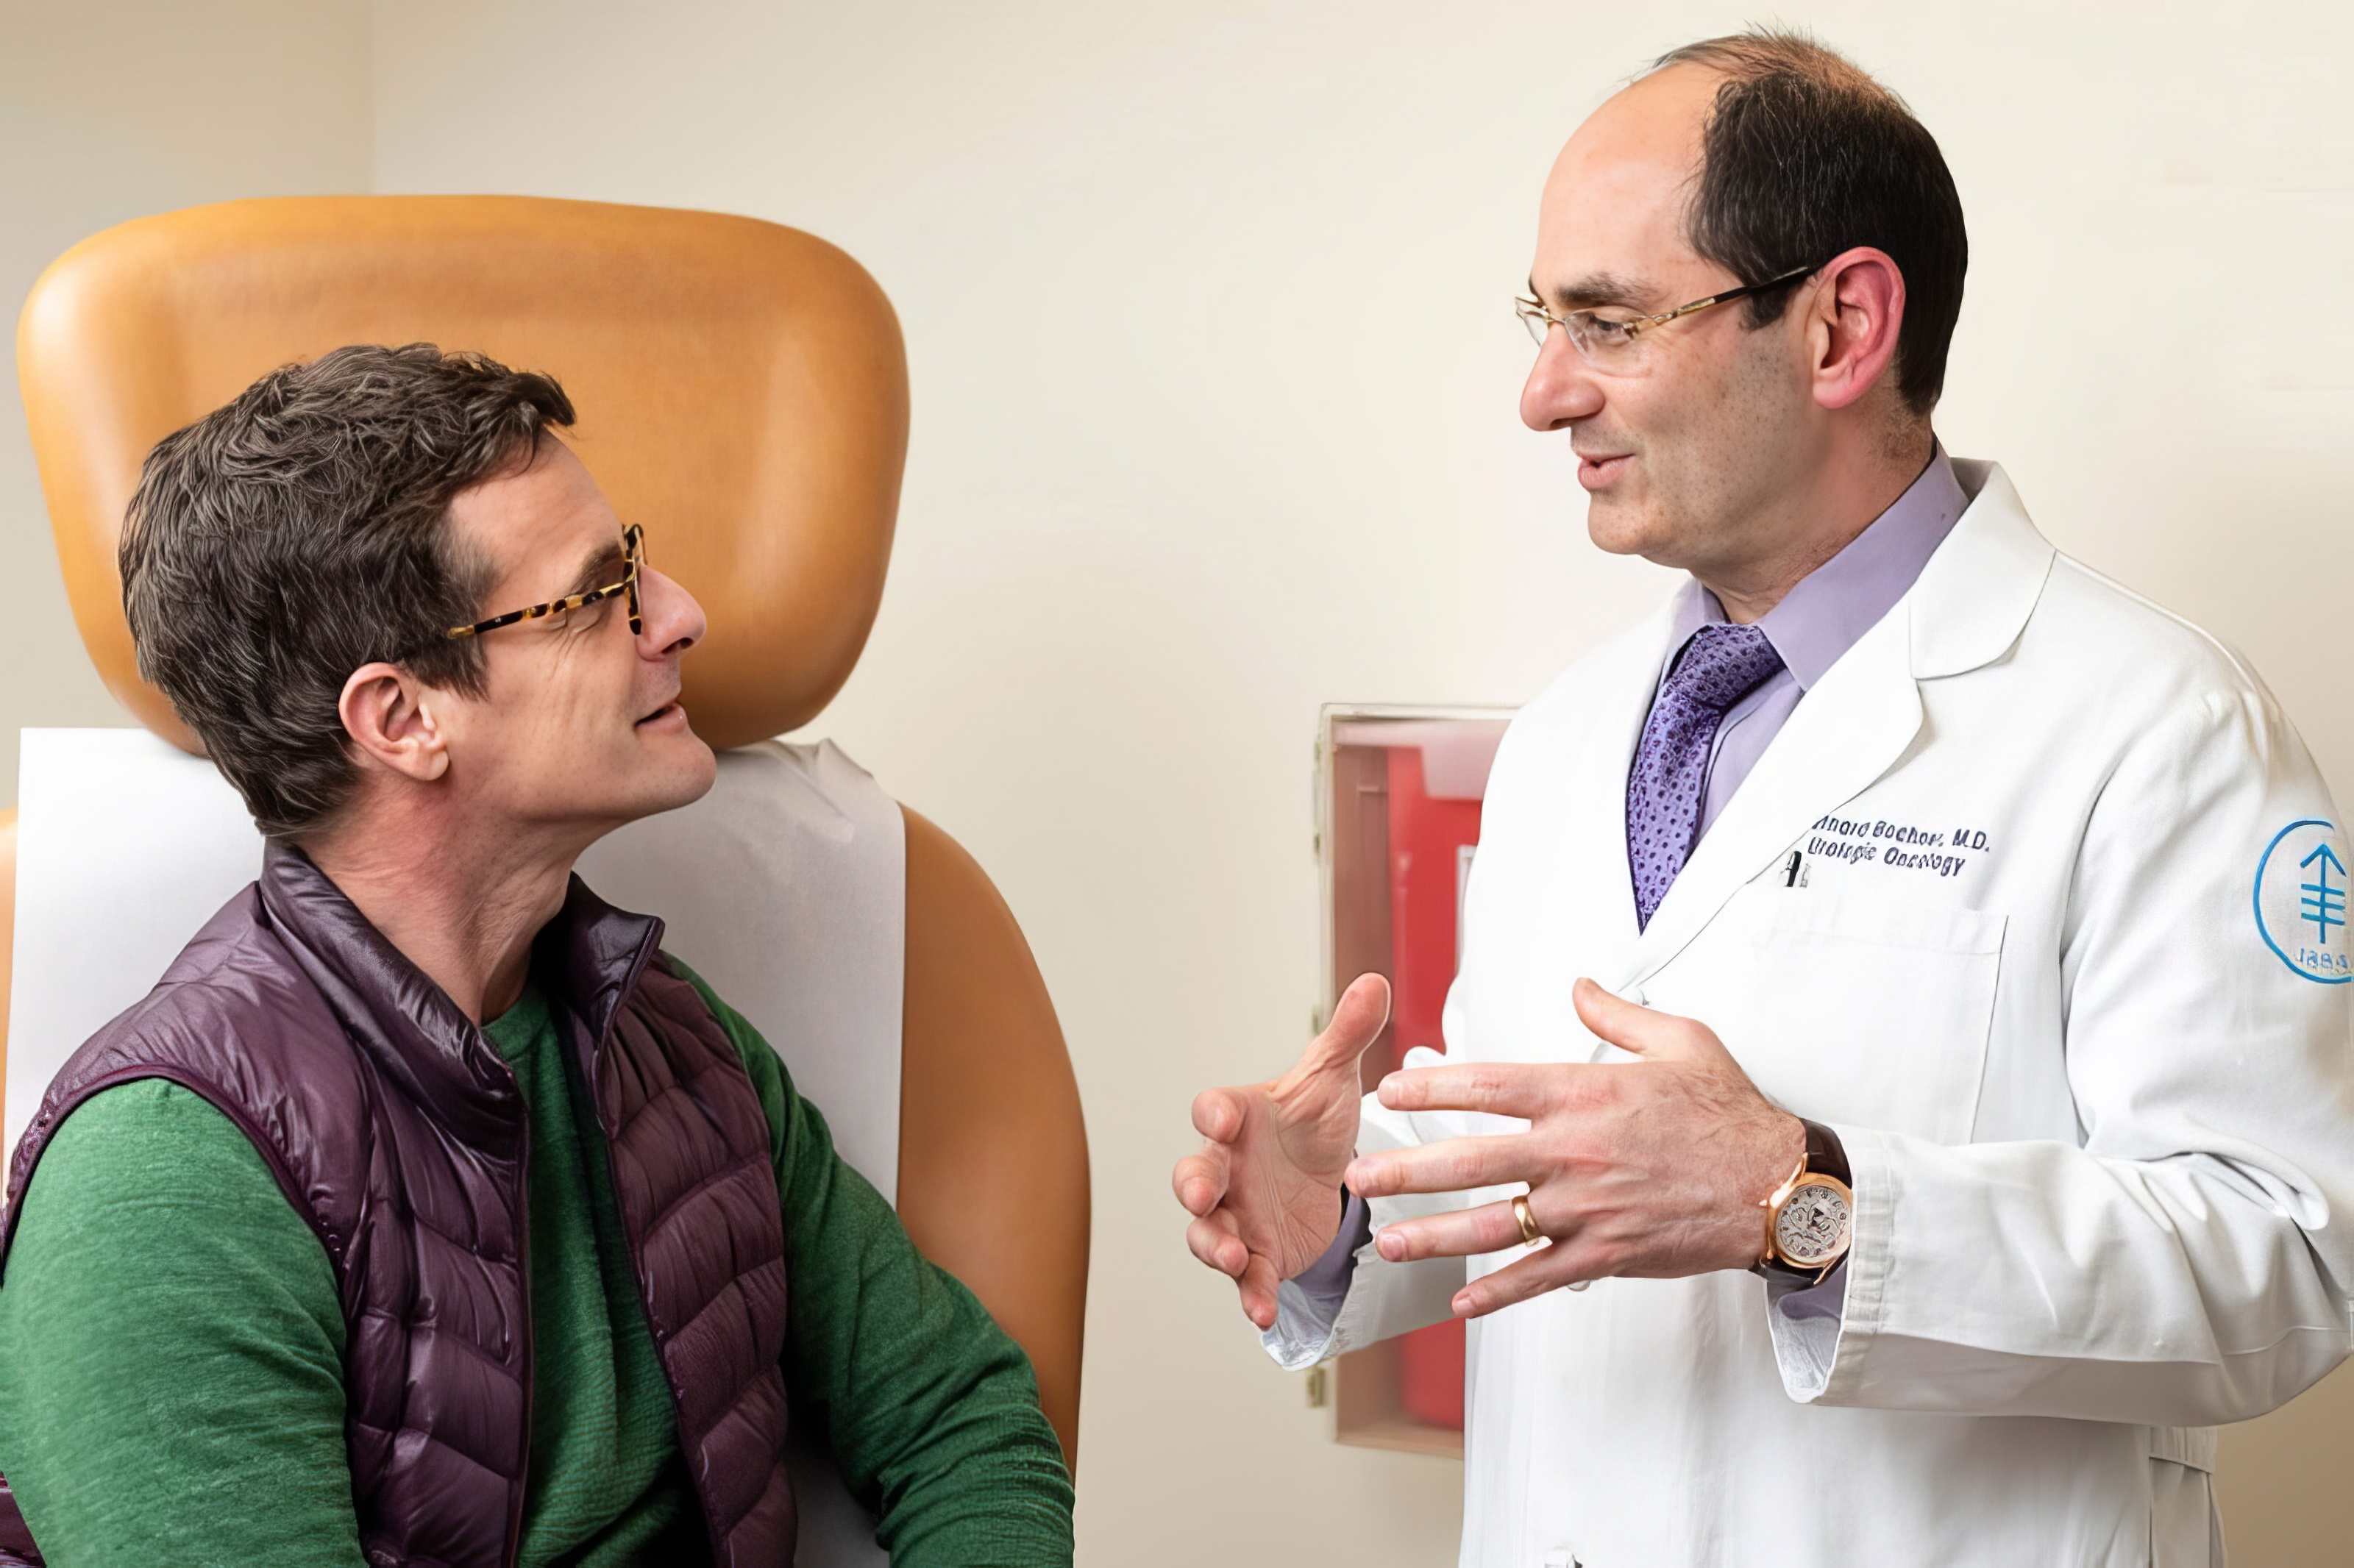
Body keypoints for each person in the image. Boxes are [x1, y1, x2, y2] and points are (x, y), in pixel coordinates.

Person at [1173, 29, 2353, 1567]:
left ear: (1839, 325)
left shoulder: (2157, 725)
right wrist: (1343, 1207)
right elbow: (1556, 1175)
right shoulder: (1569, 739)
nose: (1542, 393)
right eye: (1545, 318)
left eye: (1607, 320)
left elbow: (2291, 1261)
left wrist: (1806, 1201)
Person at [0, 345, 1074, 1566]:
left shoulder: (678, 1046)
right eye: (595, 591)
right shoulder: (162, 1193)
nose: (677, 614)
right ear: (404, 719)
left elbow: (963, 1421)